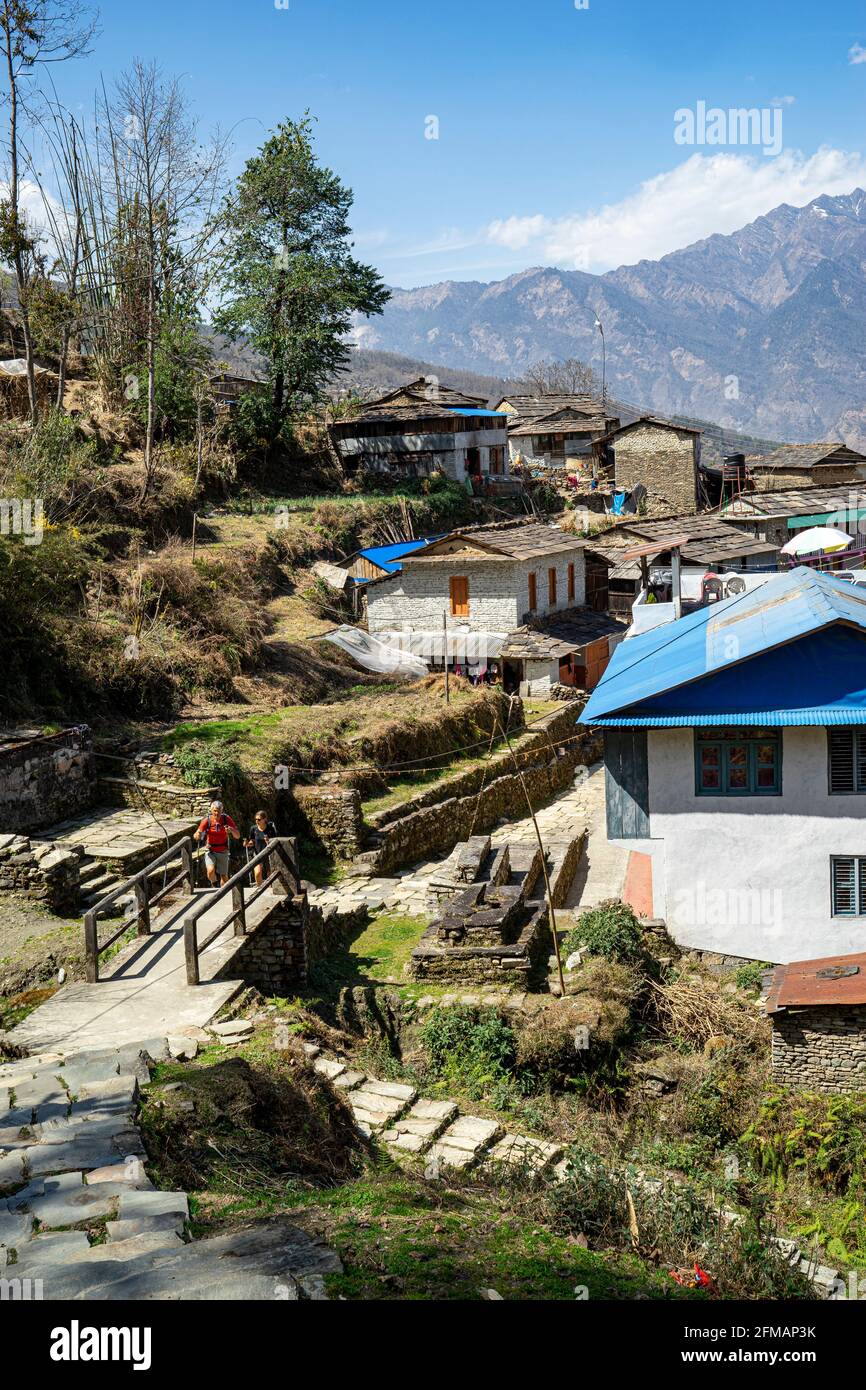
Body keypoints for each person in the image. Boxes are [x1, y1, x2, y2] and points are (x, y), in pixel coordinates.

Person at [196, 800, 241, 887]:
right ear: (211, 810)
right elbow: (197, 834)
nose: (217, 813)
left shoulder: (226, 819)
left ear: (222, 811)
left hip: (223, 850)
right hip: (210, 849)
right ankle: (214, 884)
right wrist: (198, 835)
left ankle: (224, 893)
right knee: (210, 871)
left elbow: (237, 836)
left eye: (219, 811)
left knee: (224, 876)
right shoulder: (207, 820)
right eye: (215, 811)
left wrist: (231, 830)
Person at [244, 809, 278, 886]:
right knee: (257, 873)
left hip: (269, 853)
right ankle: (260, 890)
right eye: (256, 819)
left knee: (270, 874)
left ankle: (270, 889)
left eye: (259, 819)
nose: (257, 821)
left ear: (265, 819)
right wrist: (248, 843)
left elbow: (275, 841)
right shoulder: (253, 829)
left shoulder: (270, 829)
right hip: (257, 853)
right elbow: (252, 840)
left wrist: (268, 841)